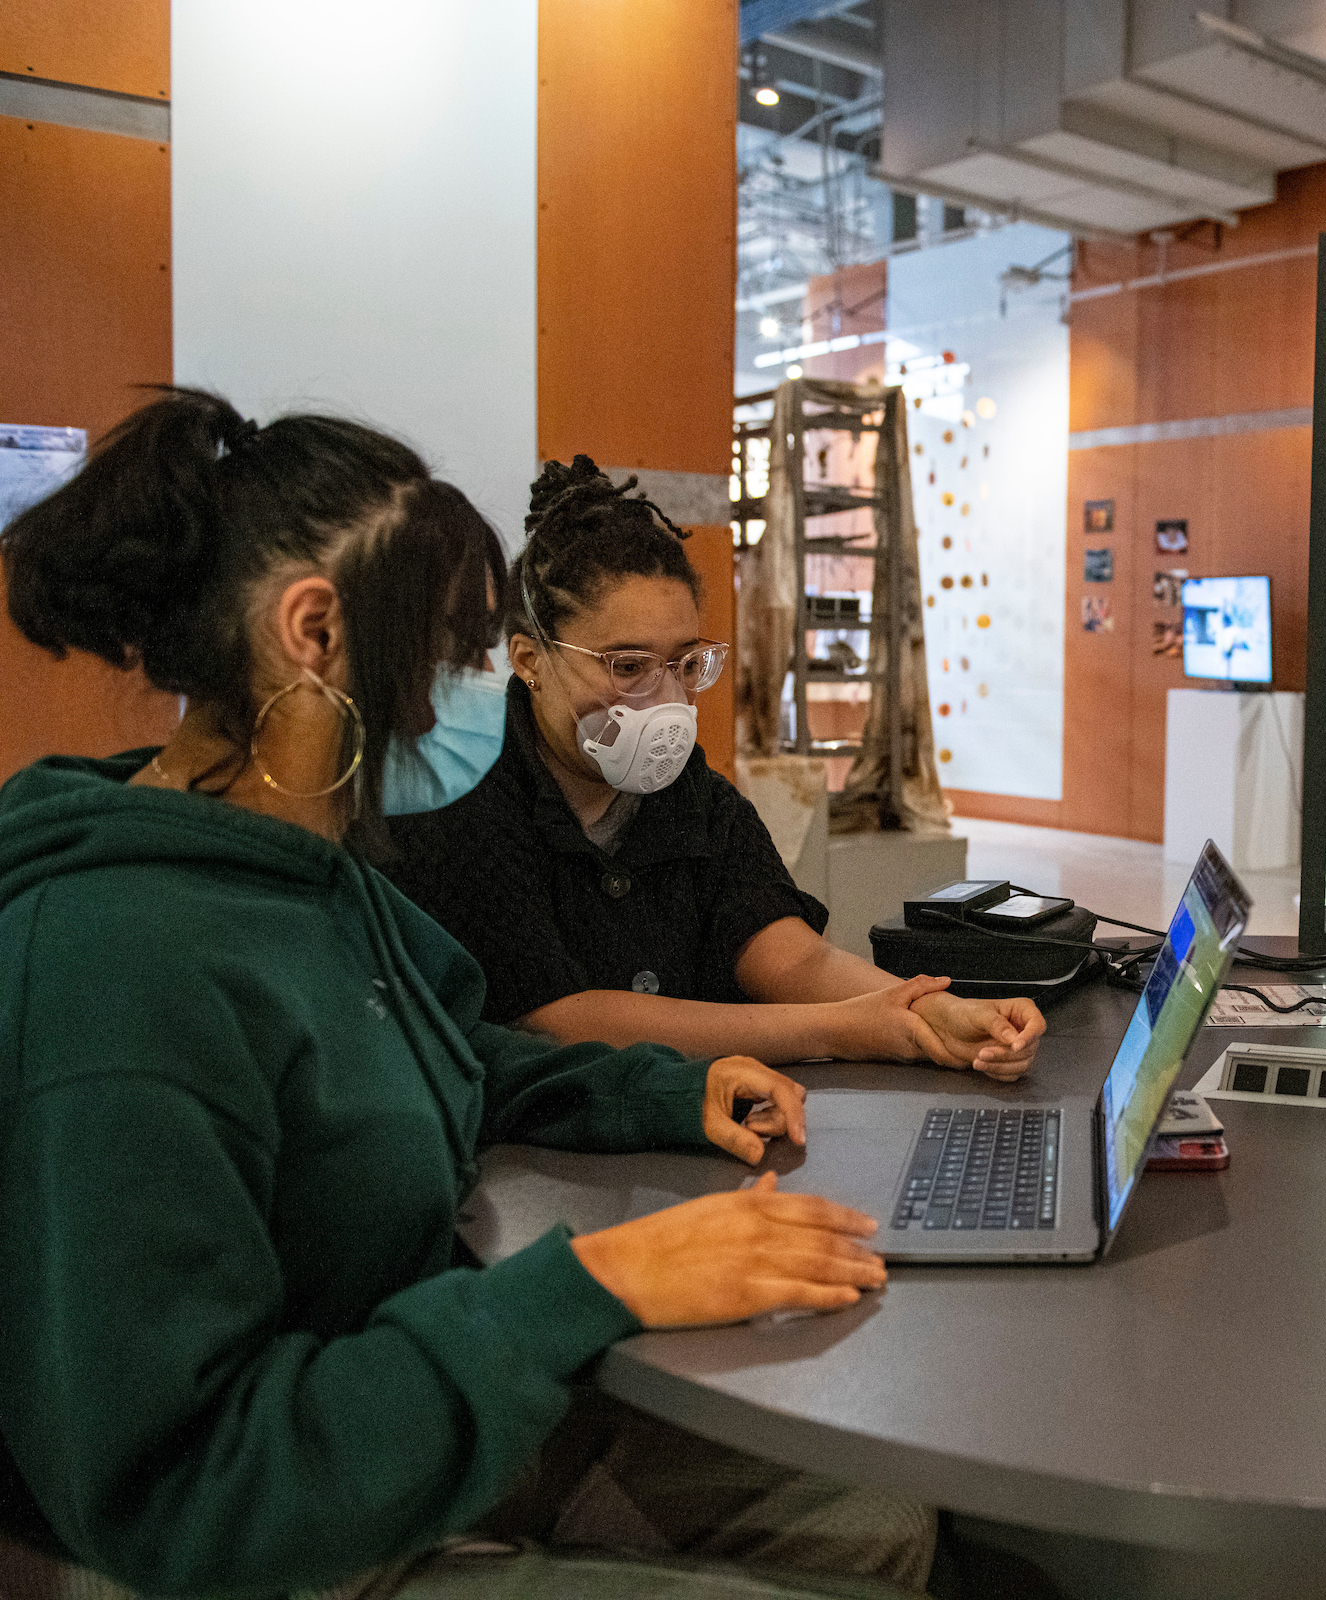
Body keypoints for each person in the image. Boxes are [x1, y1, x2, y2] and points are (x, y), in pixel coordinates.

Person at [0, 391, 935, 1598]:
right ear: (315, 634)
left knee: (875, 1524)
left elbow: (455, 1051)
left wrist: (664, 1089)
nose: (469, 696)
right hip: (283, 1541)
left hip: (401, 1420)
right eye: (444, 655)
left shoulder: (310, 878)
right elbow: (194, 1494)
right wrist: (593, 1284)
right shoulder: (119, 967)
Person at [385, 456, 1043, 1079]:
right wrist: (840, 1029)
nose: (664, 698)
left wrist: (933, 1012)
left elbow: (790, 956)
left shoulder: (692, 795)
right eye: (627, 666)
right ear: (529, 660)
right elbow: (560, 1020)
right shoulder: (463, 792)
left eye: (684, 664)